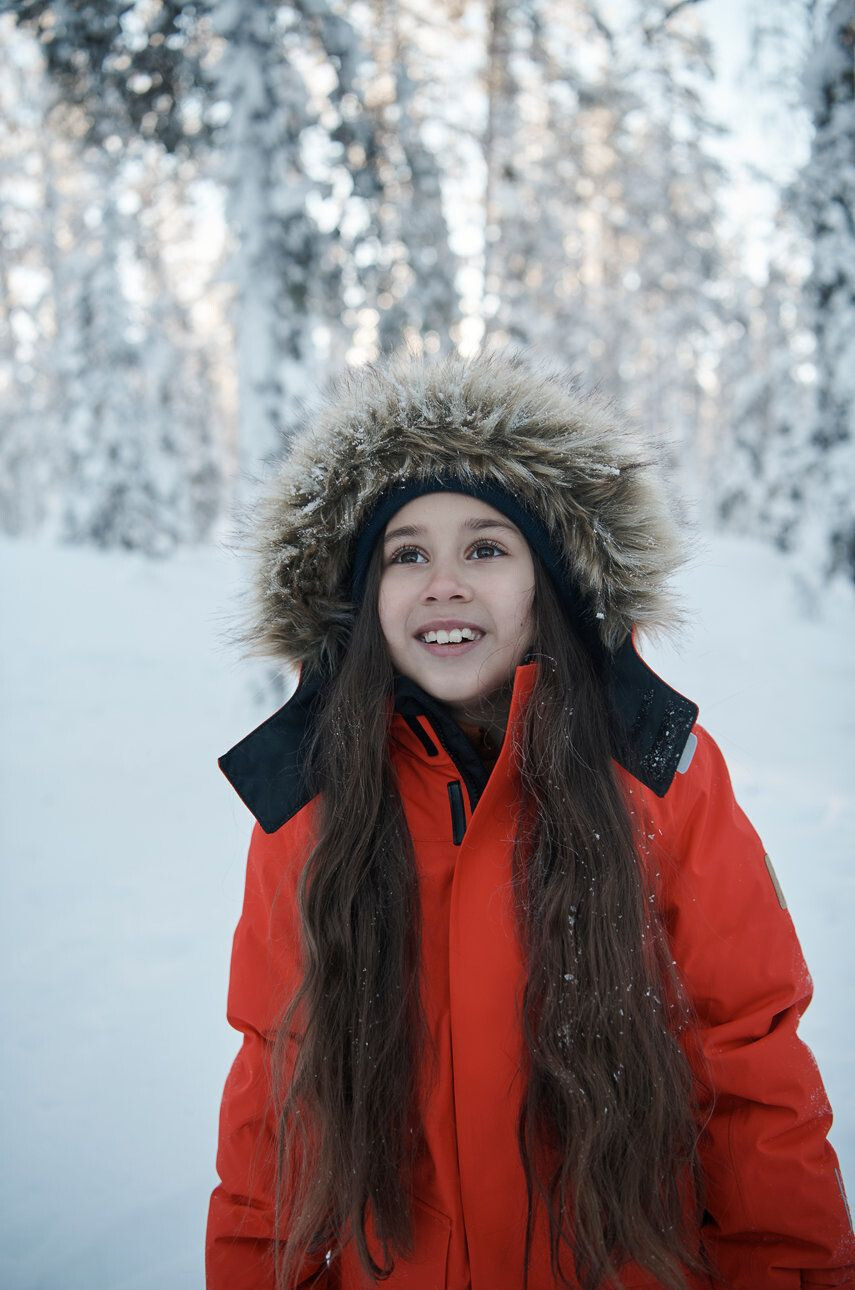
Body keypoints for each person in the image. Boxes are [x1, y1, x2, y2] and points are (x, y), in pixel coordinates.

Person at [205, 347, 855, 1290]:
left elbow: (747, 1067)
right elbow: (275, 1095)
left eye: (485, 548)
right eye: (406, 555)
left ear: (548, 579)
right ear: (358, 597)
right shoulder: (311, 807)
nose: (444, 584)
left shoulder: (658, 778)